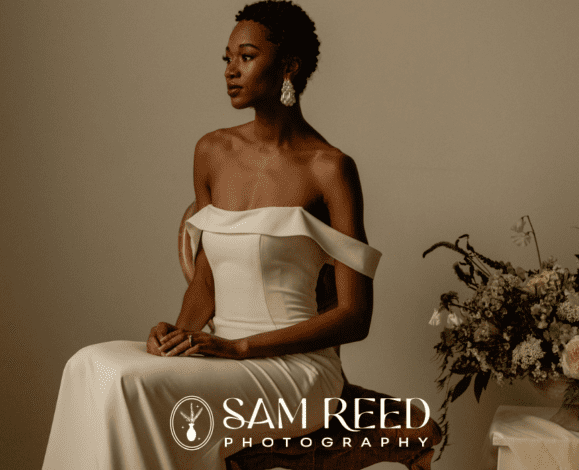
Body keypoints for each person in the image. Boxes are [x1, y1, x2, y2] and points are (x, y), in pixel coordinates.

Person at [42, 1, 383, 469]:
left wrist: (239, 348)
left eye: (246, 56)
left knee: (128, 383)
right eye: (227, 58)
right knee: (86, 365)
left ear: (289, 66)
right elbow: (206, 280)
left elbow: (354, 316)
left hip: (297, 373)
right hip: (219, 354)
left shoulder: (330, 169)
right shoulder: (212, 151)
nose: (231, 70)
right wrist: (178, 337)